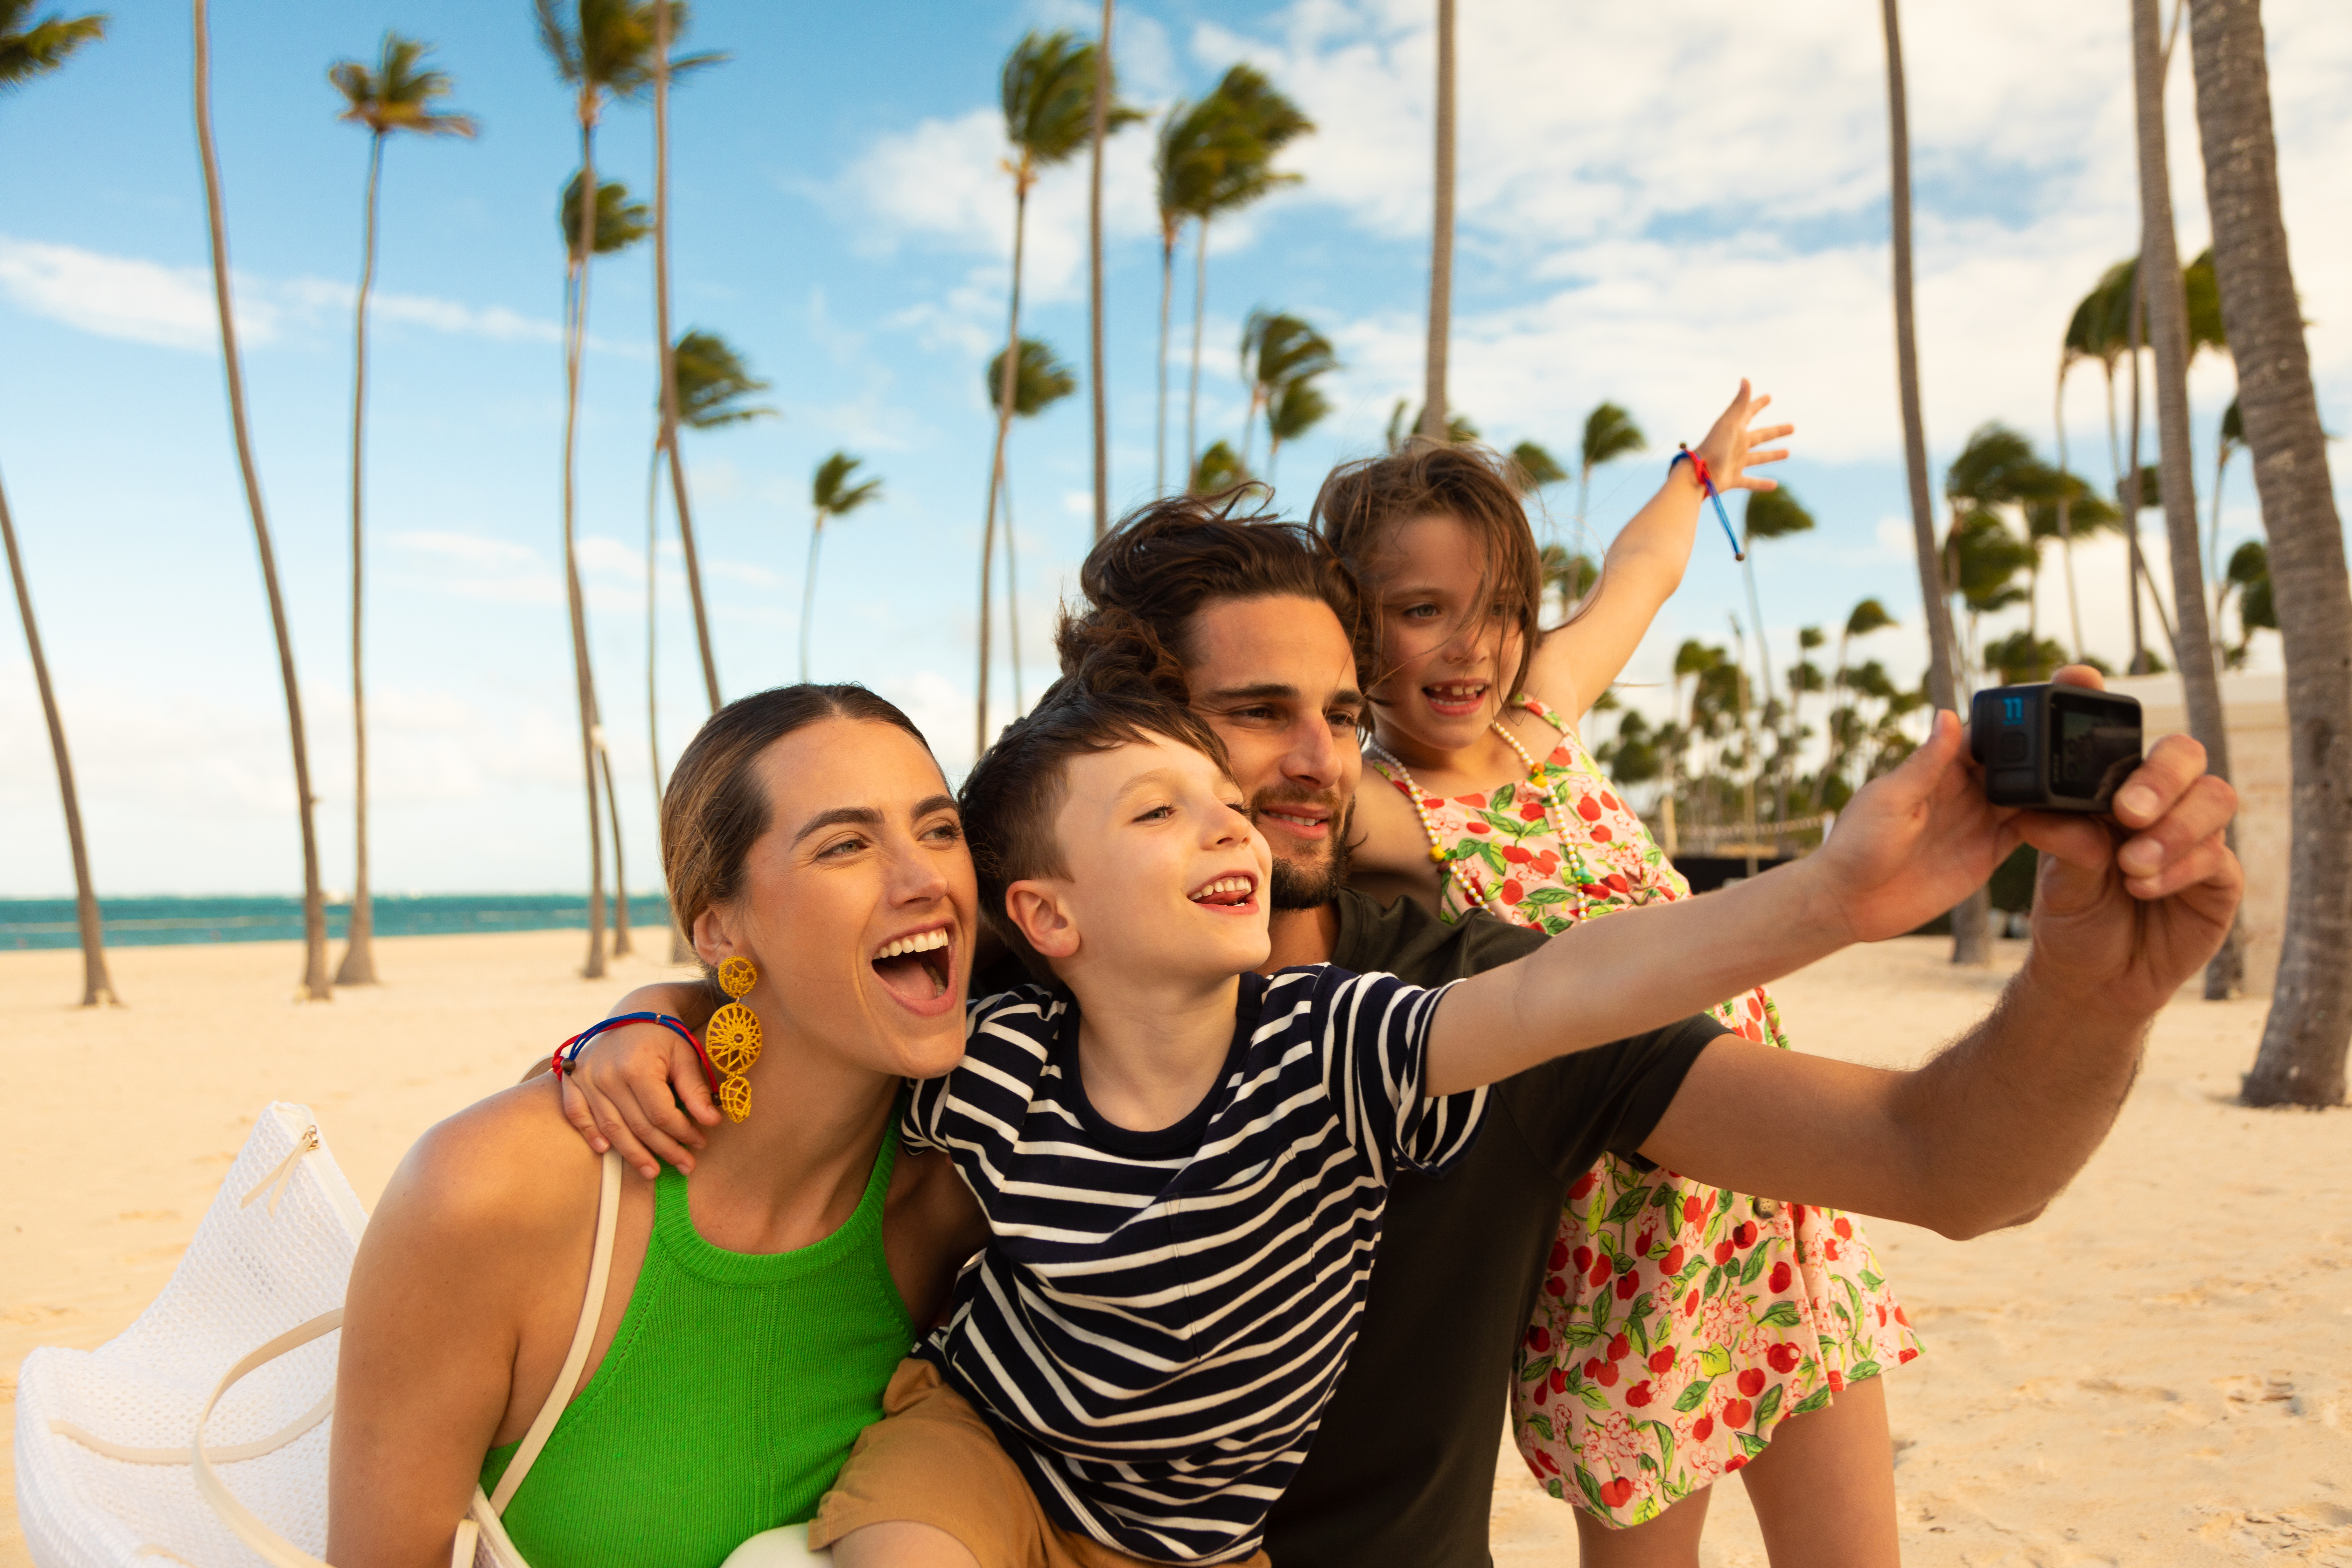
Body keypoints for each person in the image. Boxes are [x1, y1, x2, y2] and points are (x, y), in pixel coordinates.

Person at [556, 495, 2238, 1568]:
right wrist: (631, 1024)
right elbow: (787, 980)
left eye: (1343, 714)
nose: (1309, 763)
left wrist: (2096, 983)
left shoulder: (1449, 995)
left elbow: (1941, 1163)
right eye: (1254, 716)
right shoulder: (1030, 985)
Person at [1320, 394, 1916, 1558]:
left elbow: (1640, 572)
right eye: (1420, 612)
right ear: (1353, 630)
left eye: (1494, 608)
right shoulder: (1387, 811)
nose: (1469, 645)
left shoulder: (1547, 714)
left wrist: (1697, 476)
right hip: (1617, 1266)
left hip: (1782, 1210)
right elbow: (1234, 780)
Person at [328, 686, 987, 1568]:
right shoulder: (494, 1190)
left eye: (940, 829)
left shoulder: (964, 1194)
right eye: (846, 844)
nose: (925, 878)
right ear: (719, 927)